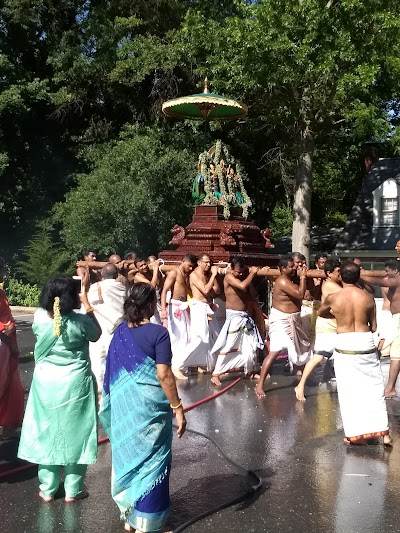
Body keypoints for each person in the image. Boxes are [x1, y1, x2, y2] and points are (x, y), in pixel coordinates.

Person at [99, 283, 186, 533]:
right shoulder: (159, 333)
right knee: (154, 462)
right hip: (152, 410)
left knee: (130, 457)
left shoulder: (119, 333)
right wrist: (178, 407)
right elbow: (164, 375)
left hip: (126, 408)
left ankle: (131, 517)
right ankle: (147, 524)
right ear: (150, 305)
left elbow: (111, 374)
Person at [18, 275, 101, 502]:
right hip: (76, 383)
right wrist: (88, 307)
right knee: (79, 432)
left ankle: (48, 488)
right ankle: (73, 490)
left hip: (46, 384)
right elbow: (97, 335)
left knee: (47, 431)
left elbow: (50, 322)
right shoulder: (81, 321)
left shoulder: (38, 318)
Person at [318, 262, 391, 446]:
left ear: (341, 277)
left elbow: (321, 313)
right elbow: (373, 327)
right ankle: (384, 433)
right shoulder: (368, 297)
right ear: (358, 277)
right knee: (374, 388)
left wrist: (338, 316)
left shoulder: (333, 297)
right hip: (364, 341)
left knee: (349, 391)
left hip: (345, 342)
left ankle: (355, 436)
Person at [255, 256, 310, 399]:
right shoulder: (283, 280)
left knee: (301, 349)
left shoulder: (290, 279)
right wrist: (303, 277)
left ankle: (302, 383)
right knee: (275, 351)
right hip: (281, 321)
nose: (294, 268)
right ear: (283, 269)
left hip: (293, 320)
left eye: (295, 266)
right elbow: (300, 294)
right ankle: (260, 384)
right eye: (291, 267)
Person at [209, 257, 264, 385]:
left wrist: (249, 277)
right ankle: (216, 373)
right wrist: (252, 273)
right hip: (234, 316)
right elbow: (241, 285)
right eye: (237, 272)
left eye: (242, 272)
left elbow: (253, 295)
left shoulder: (245, 278)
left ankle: (249, 370)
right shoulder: (229, 277)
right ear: (231, 269)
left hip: (245, 316)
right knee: (229, 345)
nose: (239, 274)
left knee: (251, 344)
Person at [295, 259, 342, 401]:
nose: (340, 275)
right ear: (329, 273)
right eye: (338, 272)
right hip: (326, 324)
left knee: (338, 354)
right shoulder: (329, 285)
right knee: (319, 356)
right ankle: (300, 385)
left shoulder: (337, 283)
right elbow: (348, 291)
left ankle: (330, 378)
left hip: (337, 323)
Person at [87, 263, 127, 397]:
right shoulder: (121, 287)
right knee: (115, 357)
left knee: (97, 357)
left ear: (101, 275)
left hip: (98, 327)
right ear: (116, 275)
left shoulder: (94, 287)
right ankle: (116, 385)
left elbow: (87, 305)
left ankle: (99, 388)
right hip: (116, 326)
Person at [362, 261, 400, 398]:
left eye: (387, 271)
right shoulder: (393, 279)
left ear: (395, 271)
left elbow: (378, 282)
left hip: (398, 319)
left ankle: (390, 388)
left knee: (396, 354)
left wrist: (359, 275)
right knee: (388, 350)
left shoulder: (396, 280)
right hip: (395, 318)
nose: (385, 274)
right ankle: (389, 387)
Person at [160, 254, 198, 380]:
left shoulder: (187, 275)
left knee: (186, 336)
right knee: (177, 337)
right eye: (189, 266)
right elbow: (164, 290)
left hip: (184, 305)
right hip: (174, 306)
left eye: (193, 267)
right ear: (183, 261)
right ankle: (175, 367)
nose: (191, 269)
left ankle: (183, 365)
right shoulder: (174, 272)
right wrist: (164, 309)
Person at [182, 254, 219, 372]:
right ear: (199, 262)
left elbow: (216, 291)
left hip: (208, 307)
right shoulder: (194, 275)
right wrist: (213, 274)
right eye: (206, 262)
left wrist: (214, 276)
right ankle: (179, 364)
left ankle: (210, 364)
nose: (208, 265)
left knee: (215, 336)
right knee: (199, 338)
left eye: (210, 263)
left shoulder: (206, 275)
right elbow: (205, 290)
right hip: (198, 307)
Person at [0, 258, 24, 439]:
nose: (4, 274)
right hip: (3, 344)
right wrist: (9, 340)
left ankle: (7, 424)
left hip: (5, 345)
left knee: (9, 385)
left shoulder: (1, 293)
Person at [134, 258, 162, 324]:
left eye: (145, 264)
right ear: (137, 269)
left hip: (155, 302)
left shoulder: (150, 273)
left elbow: (159, 284)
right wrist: (155, 268)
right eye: (141, 266)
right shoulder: (137, 277)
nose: (144, 267)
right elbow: (152, 286)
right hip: (146, 306)